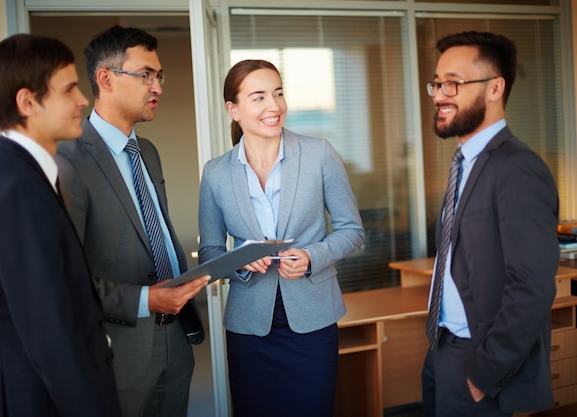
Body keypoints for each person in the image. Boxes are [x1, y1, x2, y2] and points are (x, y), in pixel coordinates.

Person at [0, 33, 120, 417]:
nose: (83, 100)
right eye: (69, 90)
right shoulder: (16, 191)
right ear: (27, 102)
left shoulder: (15, 177)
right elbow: (50, 336)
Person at [54, 25, 208, 417]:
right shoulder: (68, 162)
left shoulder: (148, 152)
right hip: (118, 350)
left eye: (159, 76)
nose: (157, 86)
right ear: (105, 79)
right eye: (145, 75)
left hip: (175, 340)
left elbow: (152, 231)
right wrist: (147, 299)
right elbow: (64, 278)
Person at [198, 59, 365, 417]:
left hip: (312, 321)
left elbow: (353, 231)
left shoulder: (319, 153)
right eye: (258, 97)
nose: (273, 106)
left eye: (278, 93)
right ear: (234, 109)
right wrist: (240, 261)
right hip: (248, 327)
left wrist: (311, 257)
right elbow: (210, 250)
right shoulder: (215, 173)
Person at [421, 31, 559, 417]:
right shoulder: (465, 162)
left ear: (495, 87)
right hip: (442, 350)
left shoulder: (517, 168)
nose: (439, 94)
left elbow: (531, 287)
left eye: (454, 83)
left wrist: (484, 375)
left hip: (479, 365)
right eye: (437, 83)